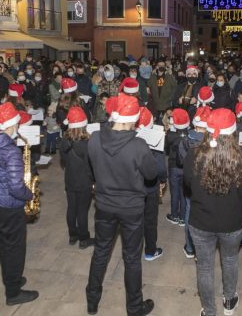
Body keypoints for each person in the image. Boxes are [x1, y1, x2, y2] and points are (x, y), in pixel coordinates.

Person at [86, 93, 157, 316]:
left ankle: (92, 300)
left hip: (104, 206)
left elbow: (93, 170)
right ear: (130, 120)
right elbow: (151, 174)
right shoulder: (138, 145)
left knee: (101, 251)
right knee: (132, 258)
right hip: (132, 209)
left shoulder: (94, 138)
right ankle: (134, 308)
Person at [183, 108, 242, 316]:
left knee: (204, 267)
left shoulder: (194, 155)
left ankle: (209, 311)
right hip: (232, 222)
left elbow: (188, 184)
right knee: (230, 260)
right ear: (233, 131)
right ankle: (229, 300)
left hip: (201, 222)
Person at [0, 102, 38, 306]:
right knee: (16, 248)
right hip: (10, 204)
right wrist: (30, 195)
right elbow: (15, 187)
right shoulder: (11, 151)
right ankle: (13, 293)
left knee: (4, 244)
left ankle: (11, 279)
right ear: (12, 124)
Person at [177, 105, 212, 259]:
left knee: (189, 214)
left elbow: (180, 161)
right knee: (205, 218)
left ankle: (190, 247)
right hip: (206, 186)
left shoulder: (185, 140)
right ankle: (201, 250)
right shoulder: (212, 143)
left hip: (190, 185)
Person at [60, 106, 94, 249]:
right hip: (84, 181)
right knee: (82, 210)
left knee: (71, 208)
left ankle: (72, 236)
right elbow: (90, 165)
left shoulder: (64, 141)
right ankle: (84, 238)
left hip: (70, 179)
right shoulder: (86, 144)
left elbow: (63, 160)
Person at [136, 107, 166, 262]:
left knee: (134, 219)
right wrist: (163, 180)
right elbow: (160, 168)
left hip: (132, 188)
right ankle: (150, 251)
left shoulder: (128, 139)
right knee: (150, 219)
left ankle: (134, 250)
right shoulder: (155, 140)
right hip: (150, 187)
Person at [165, 108, 190, 226]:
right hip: (186, 167)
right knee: (184, 192)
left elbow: (165, 150)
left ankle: (174, 215)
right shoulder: (190, 135)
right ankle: (183, 217)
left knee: (174, 192)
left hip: (173, 166)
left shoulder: (170, 135)